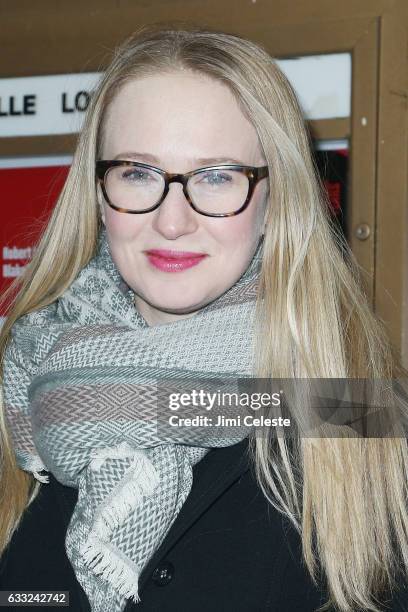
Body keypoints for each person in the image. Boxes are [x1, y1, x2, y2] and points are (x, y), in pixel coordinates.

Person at [1, 24, 408, 612]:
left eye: (217, 177)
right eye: (137, 172)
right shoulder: (25, 394)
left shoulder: (359, 417)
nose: (172, 221)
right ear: (97, 192)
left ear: (276, 202)